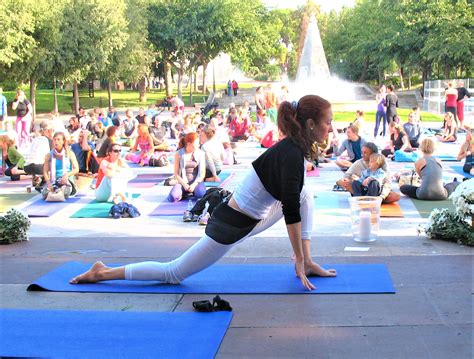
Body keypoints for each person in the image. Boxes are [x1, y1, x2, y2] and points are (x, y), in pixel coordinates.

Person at [70, 95, 337, 291]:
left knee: (305, 195)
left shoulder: (293, 148)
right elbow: (290, 212)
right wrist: (298, 258)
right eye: (328, 122)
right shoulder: (290, 154)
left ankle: (310, 261)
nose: (331, 128)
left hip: (254, 216)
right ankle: (102, 273)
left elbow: (294, 201)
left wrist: (306, 258)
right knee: (173, 273)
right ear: (311, 124)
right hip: (232, 225)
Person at [335, 142, 400, 203]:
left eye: (365, 153)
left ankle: (373, 199)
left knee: (396, 196)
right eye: (362, 152)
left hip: (377, 189)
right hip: (362, 189)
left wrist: (382, 196)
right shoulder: (359, 163)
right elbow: (346, 176)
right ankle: (361, 197)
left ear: (373, 154)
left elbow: (387, 183)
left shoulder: (382, 164)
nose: (362, 155)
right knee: (350, 183)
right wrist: (342, 181)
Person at [168, 132, 206, 204]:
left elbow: (202, 173)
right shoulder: (179, 154)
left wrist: (194, 184)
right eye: (197, 143)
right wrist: (184, 184)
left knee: (201, 194)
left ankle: (192, 192)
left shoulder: (200, 153)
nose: (199, 144)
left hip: (196, 182)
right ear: (189, 144)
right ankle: (184, 193)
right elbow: (176, 174)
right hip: (183, 182)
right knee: (173, 197)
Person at [42, 132, 79, 200]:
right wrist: (48, 182)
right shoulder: (49, 155)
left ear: (63, 141)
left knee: (65, 193)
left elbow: (76, 169)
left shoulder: (69, 153)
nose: (56, 141)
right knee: (45, 194)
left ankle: (59, 191)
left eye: (59, 140)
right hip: (54, 180)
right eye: (55, 139)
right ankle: (55, 190)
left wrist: (66, 175)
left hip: (66, 180)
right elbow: (45, 171)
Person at [24, 121, 54, 188]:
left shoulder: (35, 139)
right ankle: (47, 181)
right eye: (52, 130)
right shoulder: (49, 141)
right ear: (49, 131)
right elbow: (52, 155)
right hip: (40, 167)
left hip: (27, 167)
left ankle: (36, 178)